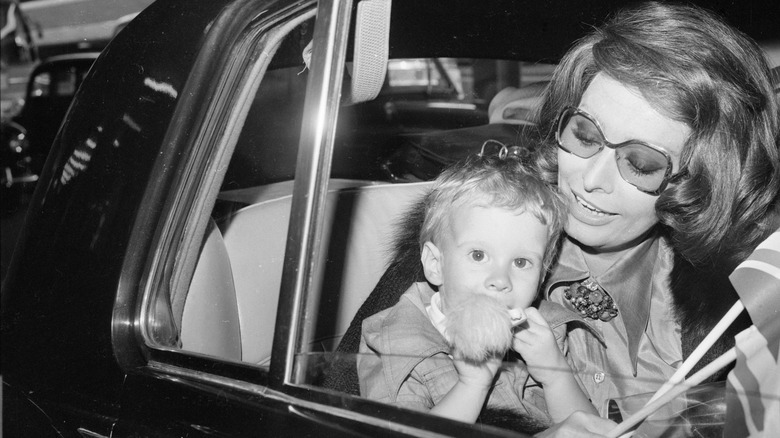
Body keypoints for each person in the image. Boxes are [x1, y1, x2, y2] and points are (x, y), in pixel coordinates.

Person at [326, 1, 779, 435]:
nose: (590, 179)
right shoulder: (466, 259)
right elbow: (328, 421)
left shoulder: (747, 293)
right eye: (584, 134)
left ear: (697, 182)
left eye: (639, 163)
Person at [358, 150, 597, 426]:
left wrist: (556, 374)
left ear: (542, 275)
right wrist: (471, 386)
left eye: (521, 262)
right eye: (478, 256)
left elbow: (594, 431)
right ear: (435, 264)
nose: (500, 279)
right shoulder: (393, 341)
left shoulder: (547, 334)